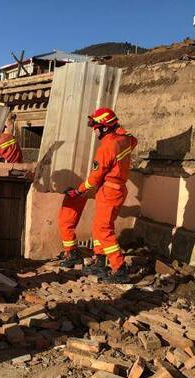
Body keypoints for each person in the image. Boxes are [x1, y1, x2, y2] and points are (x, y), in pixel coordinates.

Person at [65, 107, 137, 283]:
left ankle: (119, 268)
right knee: (99, 226)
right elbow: (133, 141)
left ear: (105, 127)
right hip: (116, 189)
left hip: (109, 190)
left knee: (104, 229)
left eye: (96, 127)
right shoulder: (125, 139)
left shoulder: (107, 146)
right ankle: (100, 261)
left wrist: (80, 190)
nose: (94, 131)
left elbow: (95, 177)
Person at [57, 192, 88, 268]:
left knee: (66, 225)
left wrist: (80, 190)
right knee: (65, 224)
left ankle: (72, 255)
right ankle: (70, 252)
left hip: (76, 192)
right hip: (75, 192)